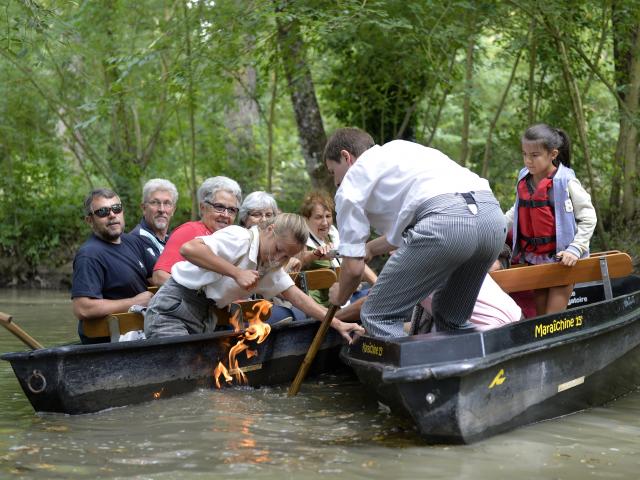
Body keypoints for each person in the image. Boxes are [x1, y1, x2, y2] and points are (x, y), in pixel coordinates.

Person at [324, 127, 506, 338]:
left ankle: (414, 371)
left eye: (332, 171)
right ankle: (471, 367)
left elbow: (354, 270)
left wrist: (340, 295)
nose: (335, 182)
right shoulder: (403, 150)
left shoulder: (350, 185)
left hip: (447, 226)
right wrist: (371, 248)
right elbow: (423, 217)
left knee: (378, 315)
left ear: (347, 157)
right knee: (450, 317)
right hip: (492, 220)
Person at [144, 213, 364, 343]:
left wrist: (338, 324)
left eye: (286, 256)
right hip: (173, 308)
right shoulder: (240, 237)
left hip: (205, 316)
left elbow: (298, 298)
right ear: (270, 229)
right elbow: (189, 249)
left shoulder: (270, 266)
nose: (279, 258)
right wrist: (236, 272)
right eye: (278, 249)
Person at [505, 123, 597, 315]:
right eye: (525, 154)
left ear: (553, 154)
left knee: (552, 320)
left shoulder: (566, 182)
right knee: (540, 320)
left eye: (535, 155)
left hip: (563, 261)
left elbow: (589, 217)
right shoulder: (525, 178)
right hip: (535, 261)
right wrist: (495, 228)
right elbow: (516, 212)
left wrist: (575, 249)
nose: (528, 161)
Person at [71, 188, 155, 344]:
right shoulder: (89, 255)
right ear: (90, 220)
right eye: (103, 211)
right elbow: (83, 308)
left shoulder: (133, 241)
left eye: (116, 208)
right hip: (111, 341)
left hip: (143, 331)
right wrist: (133, 303)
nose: (112, 215)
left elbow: (156, 277)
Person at [152, 176, 241, 286]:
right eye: (219, 207)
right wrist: (198, 298)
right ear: (203, 207)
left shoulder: (233, 239)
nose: (225, 215)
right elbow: (160, 276)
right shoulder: (190, 231)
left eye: (232, 210)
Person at [297, 191, 376, 306]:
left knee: (375, 297)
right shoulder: (301, 238)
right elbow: (296, 258)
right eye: (318, 217)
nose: (325, 222)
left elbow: (353, 259)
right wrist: (315, 254)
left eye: (328, 216)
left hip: (347, 296)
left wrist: (377, 286)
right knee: (368, 303)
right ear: (306, 219)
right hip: (324, 305)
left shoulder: (333, 233)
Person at [130, 178, 179, 259]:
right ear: (144, 208)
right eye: (155, 202)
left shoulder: (173, 243)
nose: (162, 209)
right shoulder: (134, 242)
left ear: (173, 210)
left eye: (167, 203)